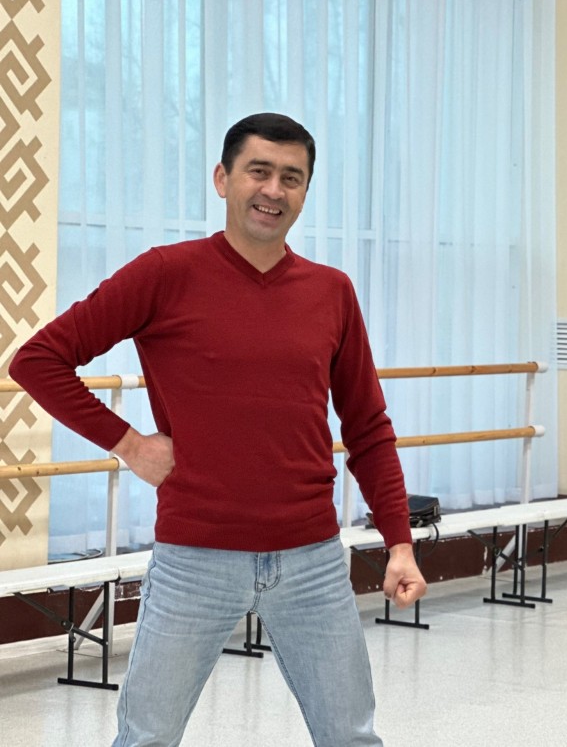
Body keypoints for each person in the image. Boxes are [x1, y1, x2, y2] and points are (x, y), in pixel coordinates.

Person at [10, 112, 427, 746]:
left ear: (305, 192)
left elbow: (367, 426)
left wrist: (399, 541)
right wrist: (129, 445)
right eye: (258, 171)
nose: (273, 190)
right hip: (194, 560)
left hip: (312, 560)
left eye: (291, 177)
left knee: (351, 737)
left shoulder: (332, 291)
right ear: (222, 179)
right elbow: (38, 359)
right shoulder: (164, 273)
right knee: (146, 739)